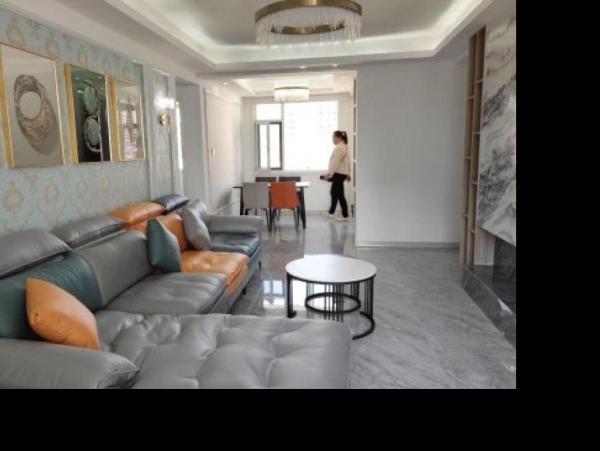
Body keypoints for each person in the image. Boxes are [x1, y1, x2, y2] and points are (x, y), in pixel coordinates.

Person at [322, 130, 351, 222]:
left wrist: (329, 173)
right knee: (337, 193)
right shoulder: (344, 146)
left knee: (336, 193)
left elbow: (335, 162)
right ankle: (334, 213)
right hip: (342, 173)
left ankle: (343, 215)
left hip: (339, 173)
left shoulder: (339, 148)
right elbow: (348, 162)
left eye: (333, 137)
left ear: (339, 138)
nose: (332, 139)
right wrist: (348, 173)